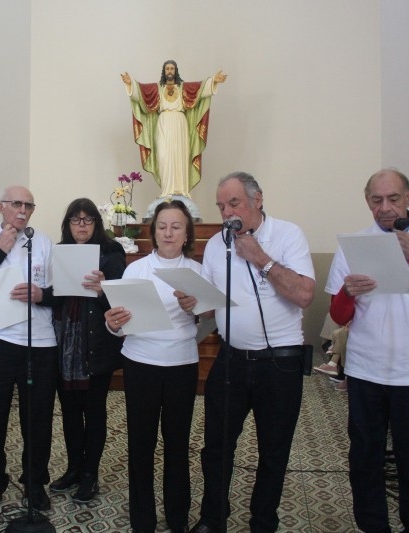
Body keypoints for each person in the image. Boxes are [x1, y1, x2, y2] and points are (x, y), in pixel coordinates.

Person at [324, 168, 409, 532]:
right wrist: (347, 292)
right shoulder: (354, 245)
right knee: (365, 461)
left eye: (393, 198)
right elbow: (338, 315)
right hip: (365, 372)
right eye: (377, 200)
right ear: (367, 201)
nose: (385, 208)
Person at [192, 172, 315, 533]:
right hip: (231, 358)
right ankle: (213, 517)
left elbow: (304, 294)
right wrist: (194, 303)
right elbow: (211, 306)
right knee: (216, 446)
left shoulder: (288, 234)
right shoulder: (217, 245)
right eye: (220, 206)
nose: (227, 212)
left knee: (273, 451)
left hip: (280, 363)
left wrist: (261, 258)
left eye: (234, 203)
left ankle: (264, 521)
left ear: (257, 200)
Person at [104, 200, 206, 533]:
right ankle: (142, 520)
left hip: (181, 364)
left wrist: (197, 310)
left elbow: (211, 322)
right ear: (153, 231)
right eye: (162, 226)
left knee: (177, 444)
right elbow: (118, 323)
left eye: (176, 226)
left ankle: (177, 519)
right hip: (140, 363)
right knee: (140, 442)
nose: (168, 232)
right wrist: (112, 323)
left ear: (187, 231)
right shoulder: (136, 270)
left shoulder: (198, 272)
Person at [0, 186, 57, 516]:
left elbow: (60, 292)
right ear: (0, 206)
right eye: (16, 204)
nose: (22, 210)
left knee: (38, 420)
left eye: (29, 205)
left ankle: (34, 485)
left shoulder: (43, 242)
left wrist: (40, 294)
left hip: (39, 344)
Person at [43, 198, 126, 503]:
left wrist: (105, 289)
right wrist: (38, 295)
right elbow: (55, 296)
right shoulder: (59, 252)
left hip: (96, 344)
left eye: (87, 220)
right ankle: (74, 468)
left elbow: (120, 303)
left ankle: (91, 474)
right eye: (75, 220)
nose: (81, 226)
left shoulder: (112, 253)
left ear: (96, 223)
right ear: (67, 225)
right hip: (64, 344)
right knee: (68, 411)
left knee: (94, 411)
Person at [121, 60, 228, 198]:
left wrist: (214, 80)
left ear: (176, 70)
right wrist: (131, 84)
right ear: (164, 71)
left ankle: (181, 191)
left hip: (180, 124)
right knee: (163, 157)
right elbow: (141, 92)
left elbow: (201, 89)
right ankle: (166, 191)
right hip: (163, 124)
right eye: (167, 69)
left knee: (180, 156)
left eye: (172, 68)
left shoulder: (183, 87)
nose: (169, 71)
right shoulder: (157, 88)